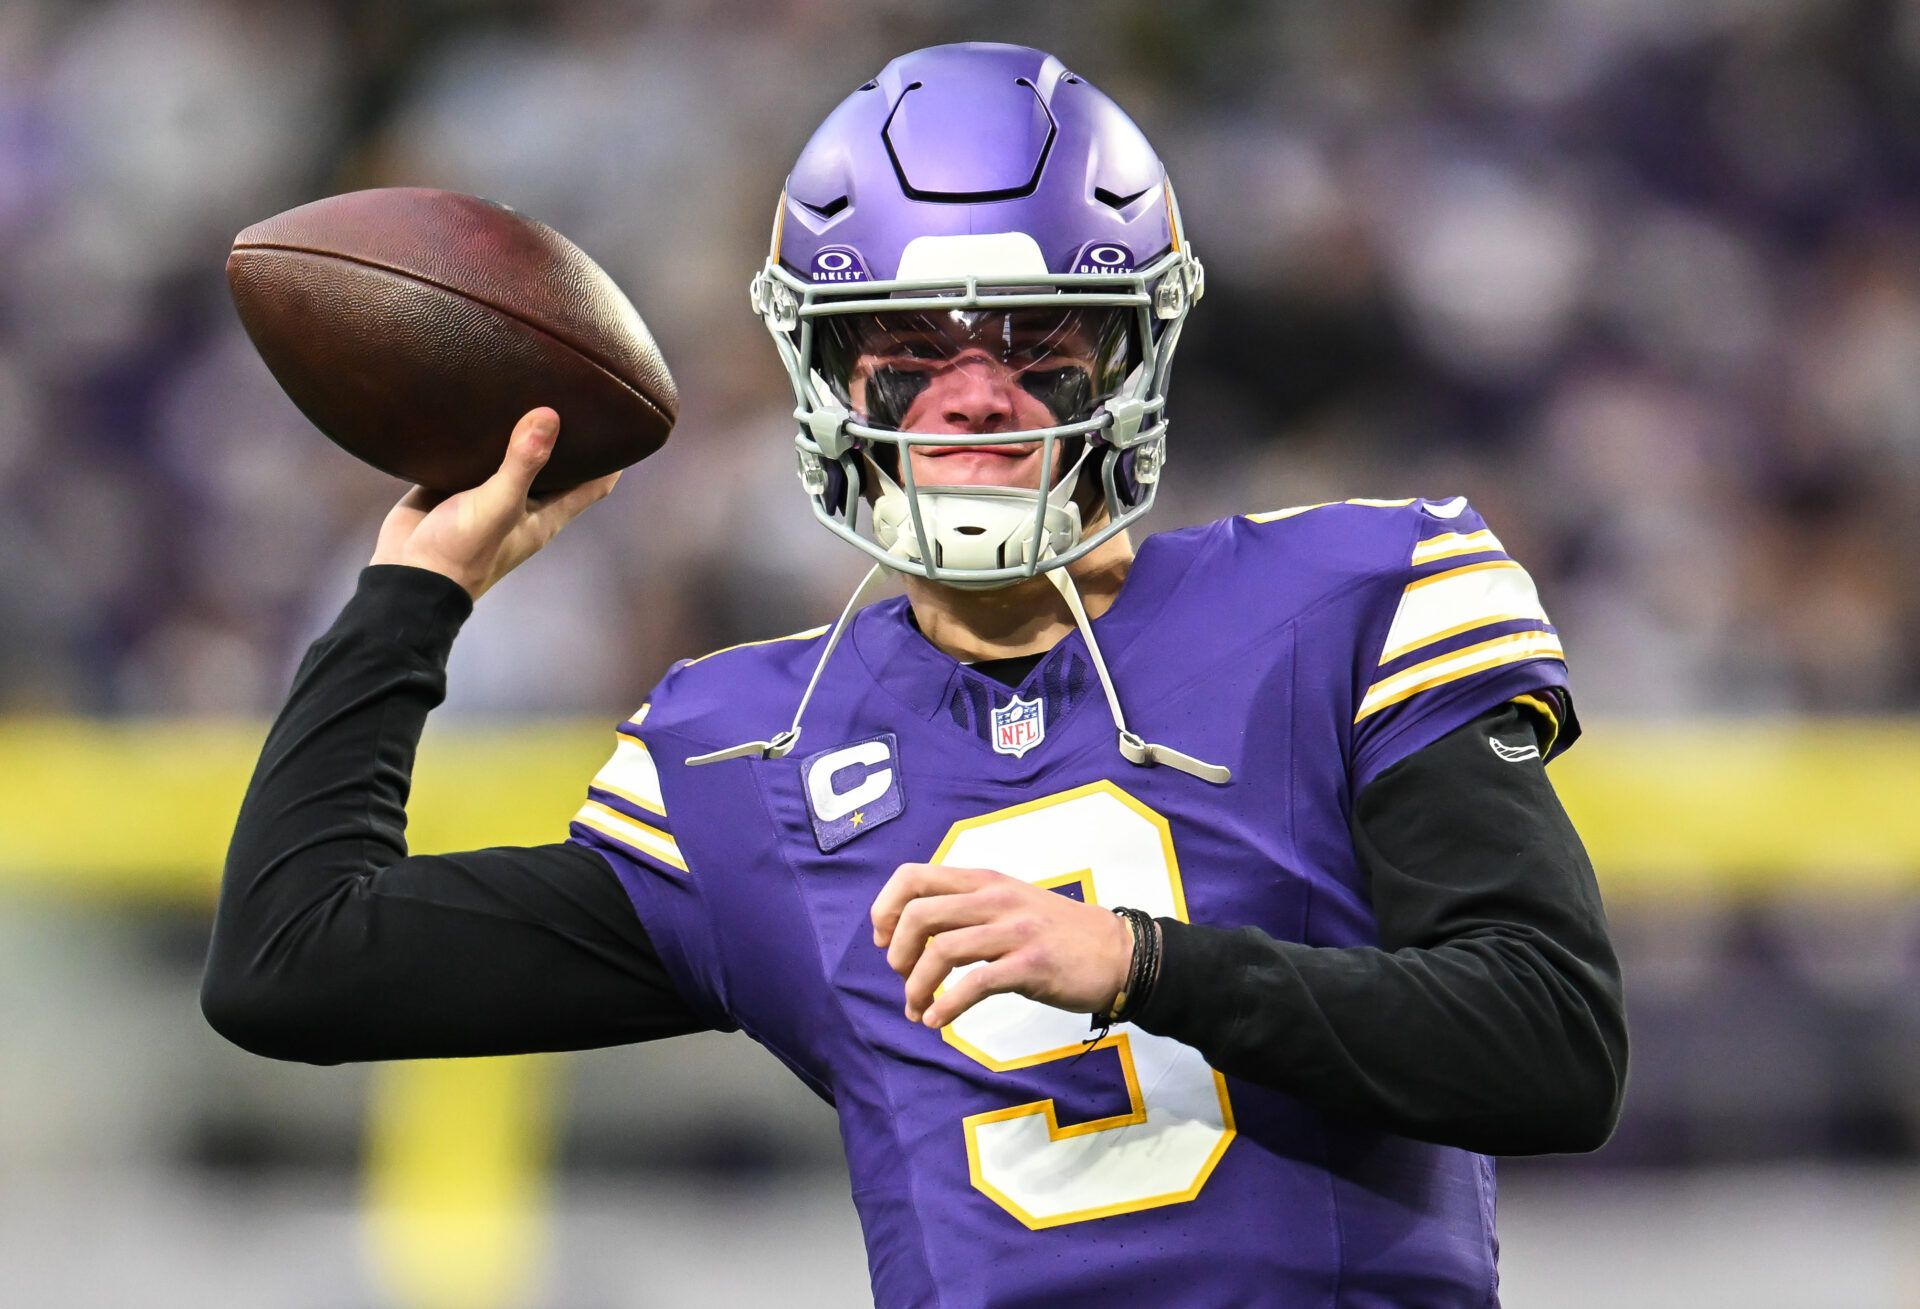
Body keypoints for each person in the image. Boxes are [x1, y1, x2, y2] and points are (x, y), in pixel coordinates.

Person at [203, 42, 1626, 1309]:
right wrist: (413, 592)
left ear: (1135, 347)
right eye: (905, 346)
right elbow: (295, 963)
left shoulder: (1351, 603)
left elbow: (1552, 1045)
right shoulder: (748, 750)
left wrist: (1141, 961)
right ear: (827, 373)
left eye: (1037, 338)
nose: (974, 392)